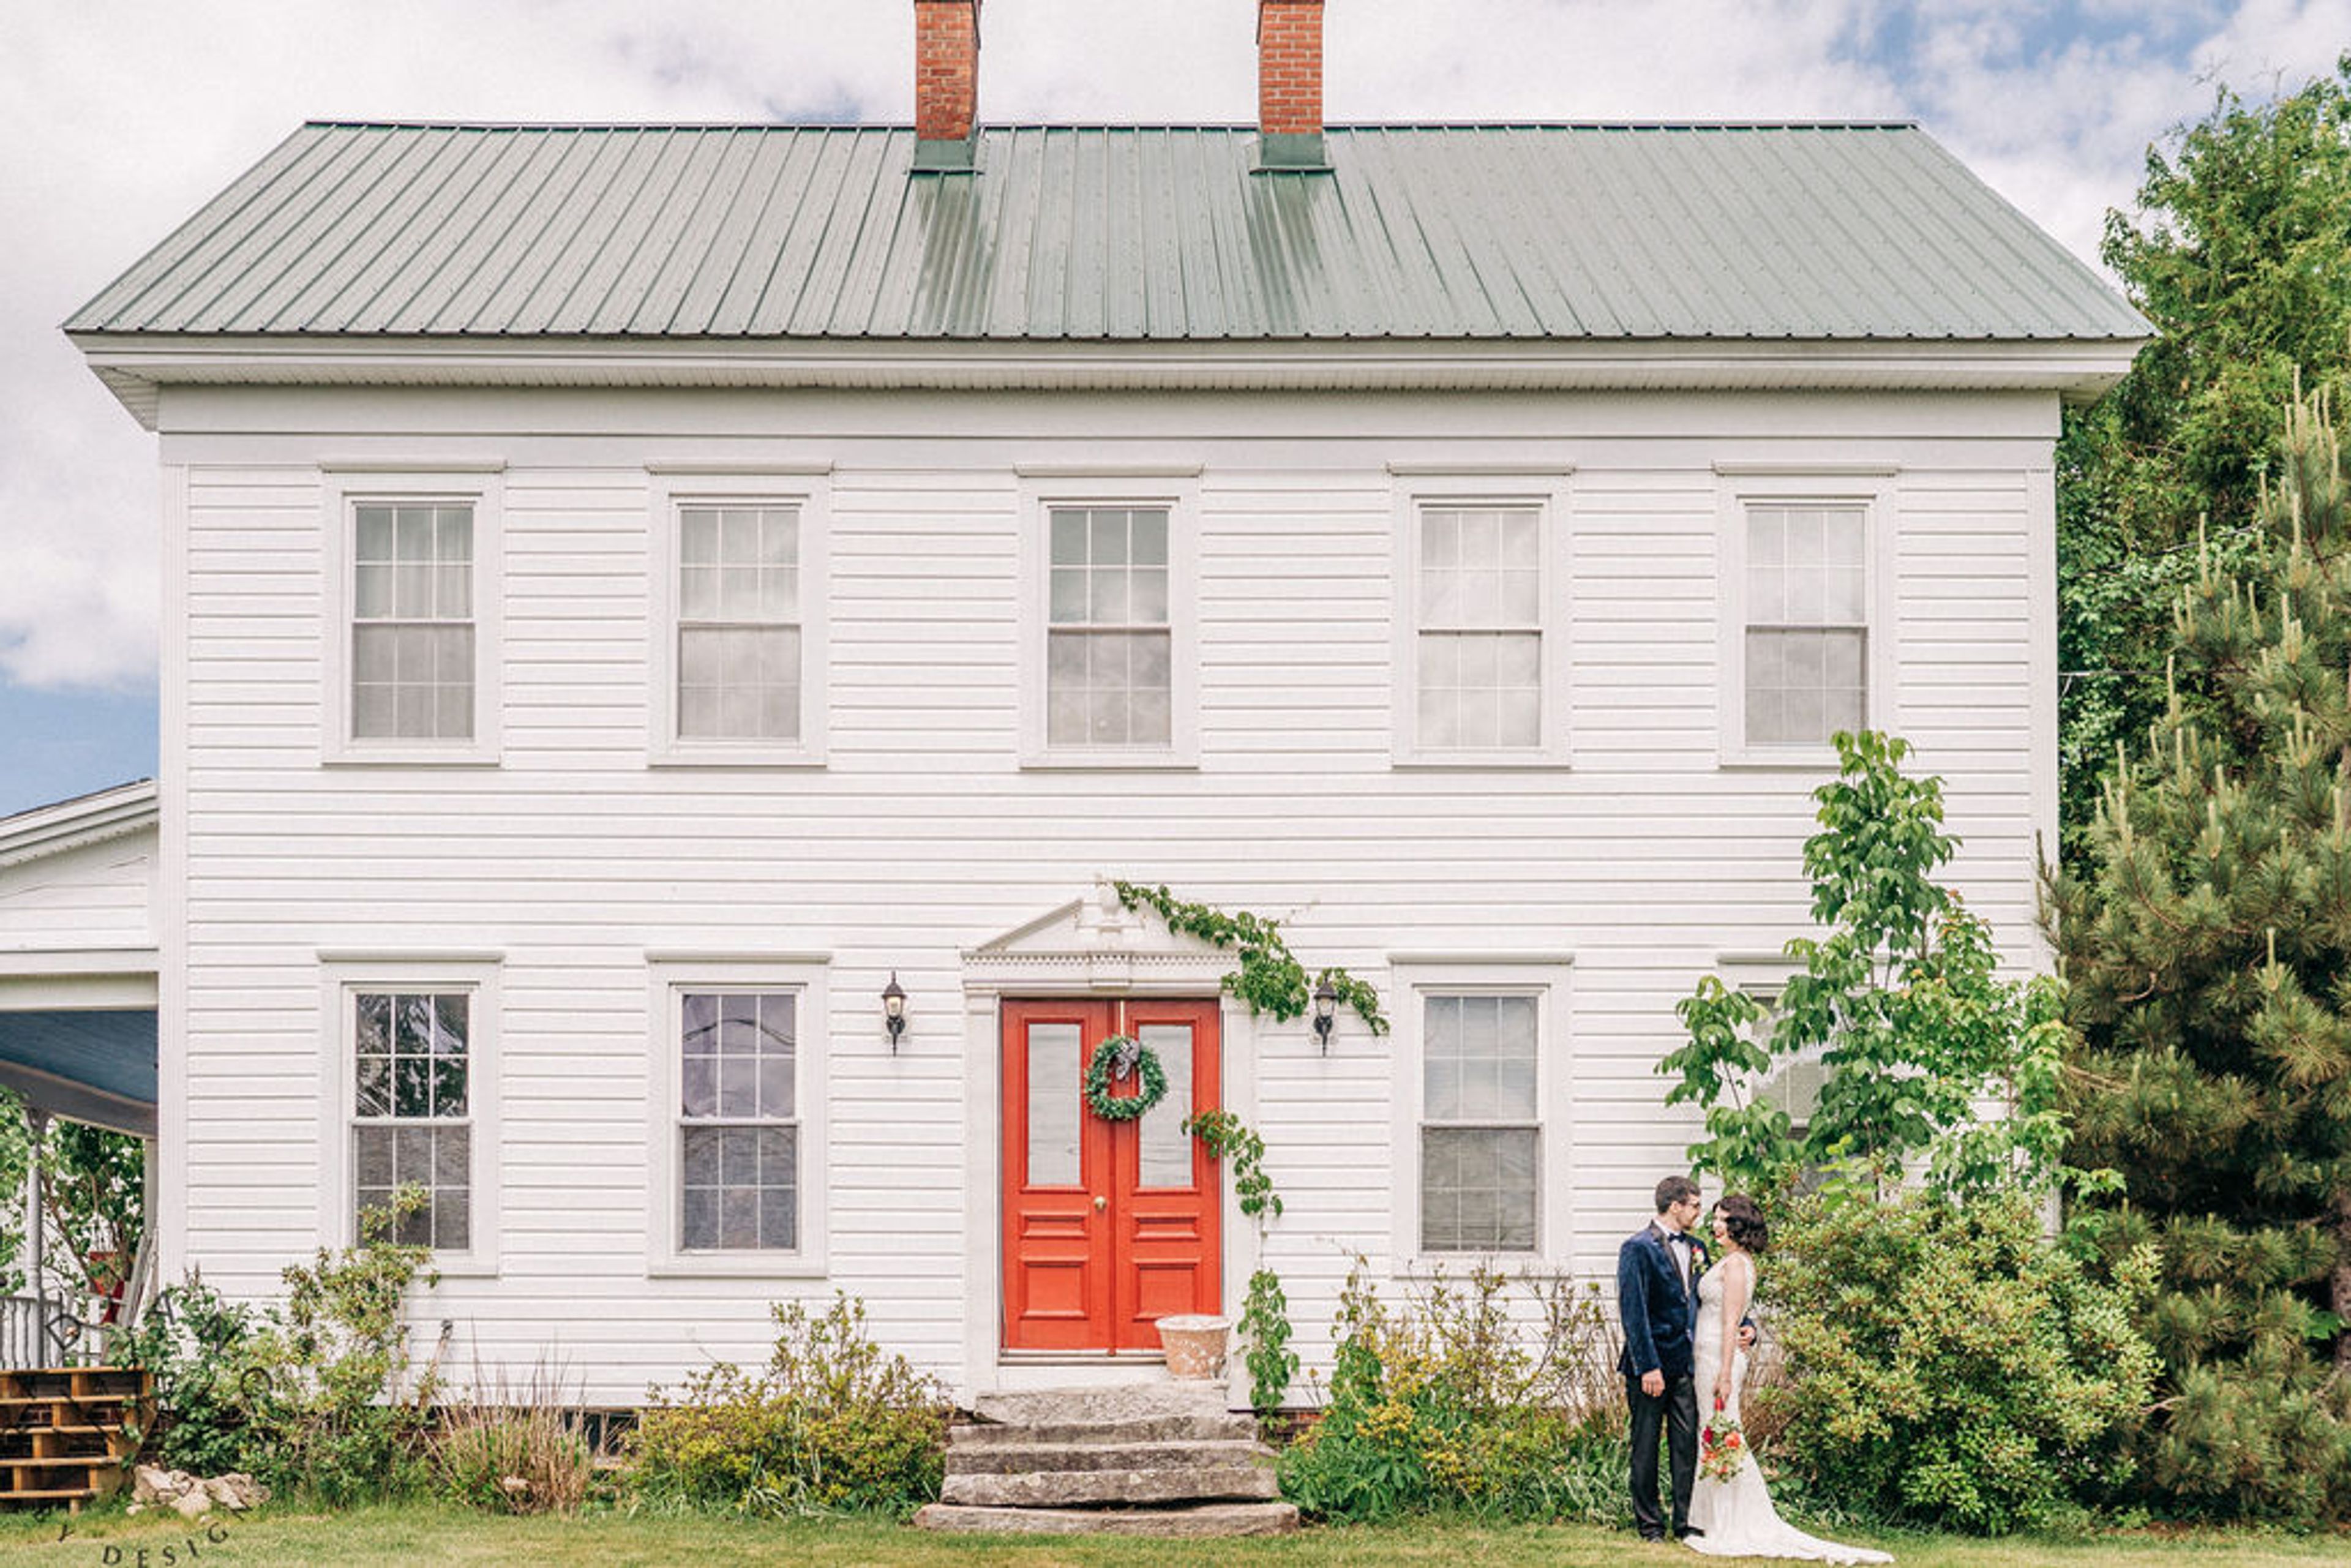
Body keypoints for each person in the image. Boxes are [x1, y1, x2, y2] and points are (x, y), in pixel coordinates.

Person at [1689, 1193, 1891, 1563]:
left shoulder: (1736, 1265)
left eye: (1723, 1219)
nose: (1716, 1226)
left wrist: (1724, 1372)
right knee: (1716, 1433)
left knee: (1723, 1435)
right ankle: (1712, 1518)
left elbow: (1731, 1321)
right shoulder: (1732, 1261)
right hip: (1707, 1357)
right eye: (1715, 1219)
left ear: (1740, 1226)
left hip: (1718, 1361)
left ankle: (1735, 1522)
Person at [1618, 1174, 1710, 1542]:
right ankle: (1650, 1524)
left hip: (1686, 1365)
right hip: (1650, 1367)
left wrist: (1746, 1324)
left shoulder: (1699, 1247)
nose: (1699, 1213)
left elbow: (1708, 1295)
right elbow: (1633, 1311)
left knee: (1686, 1446)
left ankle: (1685, 1522)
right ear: (1676, 1206)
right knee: (1646, 1446)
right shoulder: (1637, 1248)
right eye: (1696, 1206)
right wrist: (1648, 1366)